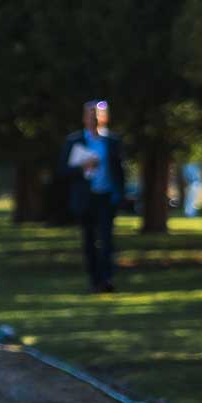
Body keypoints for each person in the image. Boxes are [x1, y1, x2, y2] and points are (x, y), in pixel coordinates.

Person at [63, 100, 127, 293]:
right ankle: (94, 280)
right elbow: (63, 170)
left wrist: (120, 194)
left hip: (106, 197)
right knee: (89, 240)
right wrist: (82, 168)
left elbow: (120, 171)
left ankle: (107, 279)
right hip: (86, 197)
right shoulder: (74, 141)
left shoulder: (112, 141)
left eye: (97, 115)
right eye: (90, 115)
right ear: (84, 118)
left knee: (107, 239)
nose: (93, 119)